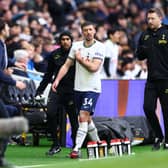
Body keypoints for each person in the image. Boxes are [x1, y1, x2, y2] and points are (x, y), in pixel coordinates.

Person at [52, 21, 105, 158]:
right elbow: (66, 65)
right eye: (85, 30)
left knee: (82, 116)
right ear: (82, 32)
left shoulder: (100, 47)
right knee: (86, 119)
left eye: (90, 30)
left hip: (92, 88)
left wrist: (80, 60)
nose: (88, 32)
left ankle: (76, 149)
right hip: (78, 88)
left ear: (95, 31)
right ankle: (99, 143)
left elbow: (94, 68)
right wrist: (57, 80)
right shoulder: (76, 46)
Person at [36, 31, 78, 156]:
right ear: (60, 41)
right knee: (50, 113)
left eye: (68, 39)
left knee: (73, 119)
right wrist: (40, 90)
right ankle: (55, 144)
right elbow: (48, 74)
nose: (65, 41)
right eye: (63, 39)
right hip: (56, 89)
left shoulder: (77, 54)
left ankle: (75, 146)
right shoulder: (54, 55)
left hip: (72, 91)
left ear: (71, 41)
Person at [136, 8, 168, 150]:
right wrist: (142, 50)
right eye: (148, 18)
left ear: (160, 18)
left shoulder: (167, 33)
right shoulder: (144, 35)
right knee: (148, 108)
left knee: (166, 110)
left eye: (152, 18)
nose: (149, 21)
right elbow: (140, 56)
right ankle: (159, 136)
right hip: (151, 80)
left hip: (166, 78)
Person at [0, 18, 26, 168]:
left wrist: (14, 63)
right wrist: (15, 82)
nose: (9, 29)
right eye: (7, 27)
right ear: (2, 29)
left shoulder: (2, 45)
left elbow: (3, 61)